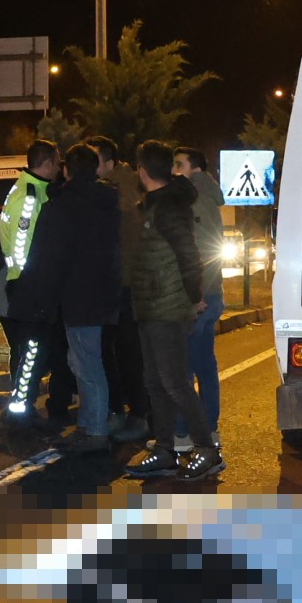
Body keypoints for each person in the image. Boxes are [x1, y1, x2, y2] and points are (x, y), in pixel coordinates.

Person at [126, 142, 221, 480]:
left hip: (168, 308)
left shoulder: (167, 207)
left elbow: (188, 254)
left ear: (142, 171)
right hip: (150, 307)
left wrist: (194, 296)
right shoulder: (152, 205)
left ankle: (207, 449)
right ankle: (165, 449)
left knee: (176, 382)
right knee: (155, 382)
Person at [30, 143, 124, 453]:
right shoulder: (109, 202)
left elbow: (50, 256)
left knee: (87, 363)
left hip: (75, 295)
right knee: (84, 360)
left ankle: (94, 431)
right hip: (104, 292)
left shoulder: (64, 206)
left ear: (68, 170)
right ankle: (88, 423)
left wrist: (42, 296)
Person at [0, 140, 65, 425]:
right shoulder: (31, 194)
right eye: (58, 163)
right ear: (47, 163)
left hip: (25, 285)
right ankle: (20, 409)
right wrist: (34, 281)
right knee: (34, 350)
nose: (60, 169)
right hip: (30, 287)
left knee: (36, 350)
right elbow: (24, 244)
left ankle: (23, 405)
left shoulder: (25, 187)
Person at [92, 134, 151, 442]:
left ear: (109, 163)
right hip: (119, 284)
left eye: (96, 160)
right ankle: (129, 412)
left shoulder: (121, 192)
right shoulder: (116, 188)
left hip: (125, 286)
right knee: (116, 352)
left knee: (126, 354)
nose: (92, 167)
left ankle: (136, 415)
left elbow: (124, 245)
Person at [174, 145, 228, 455]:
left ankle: (185, 432)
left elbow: (201, 249)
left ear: (192, 166)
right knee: (204, 365)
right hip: (211, 293)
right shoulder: (207, 193)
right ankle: (208, 428)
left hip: (201, 296)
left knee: (186, 367)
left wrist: (196, 297)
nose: (174, 170)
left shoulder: (194, 197)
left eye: (178, 164)